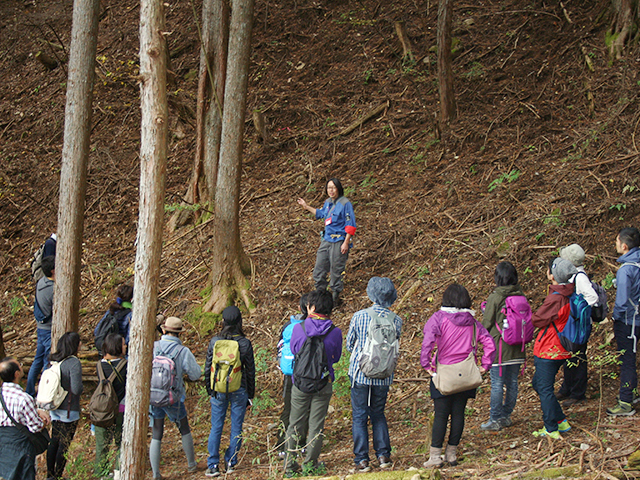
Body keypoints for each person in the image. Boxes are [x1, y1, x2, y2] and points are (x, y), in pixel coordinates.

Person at [421, 284, 495, 468]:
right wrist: (484, 366)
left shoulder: (438, 318)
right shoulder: (473, 322)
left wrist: (427, 365)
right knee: (458, 414)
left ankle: (435, 457)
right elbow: (490, 344)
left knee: (441, 415)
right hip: (466, 375)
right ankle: (451, 454)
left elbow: (428, 342)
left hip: (444, 373)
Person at [284, 289, 342, 477]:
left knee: (295, 424)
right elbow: (336, 357)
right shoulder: (335, 332)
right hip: (322, 384)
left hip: (300, 384)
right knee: (316, 425)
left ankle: (290, 467)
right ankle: (310, 464)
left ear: (313, 307)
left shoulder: (299, 329)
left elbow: (293, 350)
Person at [346, 277, 402, 472]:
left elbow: (349, 344)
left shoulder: (359, 316)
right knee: (378, 413)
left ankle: (362, 460)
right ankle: (383, 456)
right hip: (384, 374)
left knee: (360, 415)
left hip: (360, 373)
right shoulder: (396, 320)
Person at [204, 306, 255, 477]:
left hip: (218, 389)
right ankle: (231, 461)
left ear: (223, 321)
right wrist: (250, 394)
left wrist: (209, 389)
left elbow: (208, 367)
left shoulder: (214, 342)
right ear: (240, 321)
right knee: (236, 427)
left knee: (216, 426)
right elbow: (249, 371)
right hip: (239, 389)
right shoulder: (245, 343)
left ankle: (212, 464)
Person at [149, 316, 201, 479]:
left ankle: (156, 473)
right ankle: (192, 464)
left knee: (157, 432)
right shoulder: (182, 351)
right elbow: (195, 374)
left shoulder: (153, 347)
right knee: (184, 428)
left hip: (154, 395)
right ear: (179, 333)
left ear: (164, 330)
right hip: (174, 397)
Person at [530, 258, 577, 438]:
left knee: (544, 388)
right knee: (539, 384)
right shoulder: (569, 293)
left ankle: (551, 428)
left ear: (552, 275)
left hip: (550, 348)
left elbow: (537, 319)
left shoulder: (556, 297)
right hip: (562, 347)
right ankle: (561, 421)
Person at [480, 261, 527, 431]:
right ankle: (506, 416)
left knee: (497, 383)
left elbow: (486, 323)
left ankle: (495, 419)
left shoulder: (496, 296)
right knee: (512, 382)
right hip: (518, 347)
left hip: (499, 347)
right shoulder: (521, 295)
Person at [297, 178, 357, 306]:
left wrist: (346, 242)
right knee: (319, 269)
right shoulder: (328, 202)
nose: (331, 190)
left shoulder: (345, 203)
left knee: (336, 269)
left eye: (334, 187)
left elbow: (350, 225)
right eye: (329, 187)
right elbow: (321, 214)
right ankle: (320, 297)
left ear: (339, 189)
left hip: (339, 240)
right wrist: (306, 206)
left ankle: (335, 299)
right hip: (327, 240)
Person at [556, 244, 598, 407]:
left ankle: (578, 393)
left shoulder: (580, 277)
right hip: (571, 325)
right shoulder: (573, 275)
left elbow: (592, 298)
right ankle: (567, 387)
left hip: (578, 326)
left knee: (579, 357)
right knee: (569, 355)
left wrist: (578, 309)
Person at [0, 357, 50, 480]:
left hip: (3, 443)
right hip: (21, 445)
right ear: (17, 374)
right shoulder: (23, 398)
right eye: (20, 365)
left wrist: (36, 410)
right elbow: (35, 427)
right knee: (25, 474)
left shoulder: (2, 394)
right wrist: (44, 421)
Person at [608, 227, 640, 416]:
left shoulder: (625, 270)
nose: (616, 244)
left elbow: (621, 301)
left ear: (625, 246)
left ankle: (625, 401)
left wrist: (615, 316)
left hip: (628, 321)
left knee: (627, 360)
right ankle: (633, 393)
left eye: (617, 241)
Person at [276, 293, 311, 456]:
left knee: (288, 408)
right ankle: (301, 444)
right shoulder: (312, 326)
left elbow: (280, 348)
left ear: (298, 308)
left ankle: (281, 445)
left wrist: (283, 366)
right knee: (305, 408)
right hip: (306, 373)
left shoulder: (288, 326)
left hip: (289, 372)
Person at [47, 332, 83, 480]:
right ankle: (59, 475)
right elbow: (76, 389)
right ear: (74, 345)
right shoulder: (74, 363)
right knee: (64, 443)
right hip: (69, 409)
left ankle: (50, 474)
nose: (81, 344)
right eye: (79, 342)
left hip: (55, 406)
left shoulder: (54, 360)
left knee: (54, 439)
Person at [94, 333, 127, 477]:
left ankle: (102, 473)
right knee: (121, 443)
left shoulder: (99, 366)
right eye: (124, 344)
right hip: (121, 409)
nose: (126, 346)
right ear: (117, 346)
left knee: (102, 445)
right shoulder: (126, 365)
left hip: (102, 410)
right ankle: (119, 472)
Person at [26, 255, 55, 396]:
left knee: (37, 360)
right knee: (46, 363)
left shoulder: (40, 283)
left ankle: (30, 390)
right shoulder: (53, 289)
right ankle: (43, 393)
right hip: (49, 329)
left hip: (40, 327)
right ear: (53, 271)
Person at [95, 284, 134, 350]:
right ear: (131, 299)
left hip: (107, 349)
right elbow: (129, 339)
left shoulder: (111, 310)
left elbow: (97, 331)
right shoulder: (131, 315)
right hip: (121, 351)